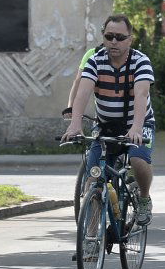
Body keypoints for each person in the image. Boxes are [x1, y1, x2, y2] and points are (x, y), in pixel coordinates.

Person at [62, 15, 155, 224]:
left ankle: (143, 198)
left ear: (130, 40)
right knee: (93, 179)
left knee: (138, 160)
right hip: (105, 127)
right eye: (109, 36)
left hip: (139, 124)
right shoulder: (95, 61)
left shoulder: (141, 62)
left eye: (120, 37)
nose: (114, 41)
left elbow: (141, 95)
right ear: (103, 37)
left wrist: (137, 128)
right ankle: (91, 242)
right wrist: (75, 124)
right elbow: (83, 93)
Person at [63, 45, 102, 117]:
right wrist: (71, 107)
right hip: (101, 112)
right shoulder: (92, 53)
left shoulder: (129, 55)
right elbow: (79, 81)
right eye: (109, 36)